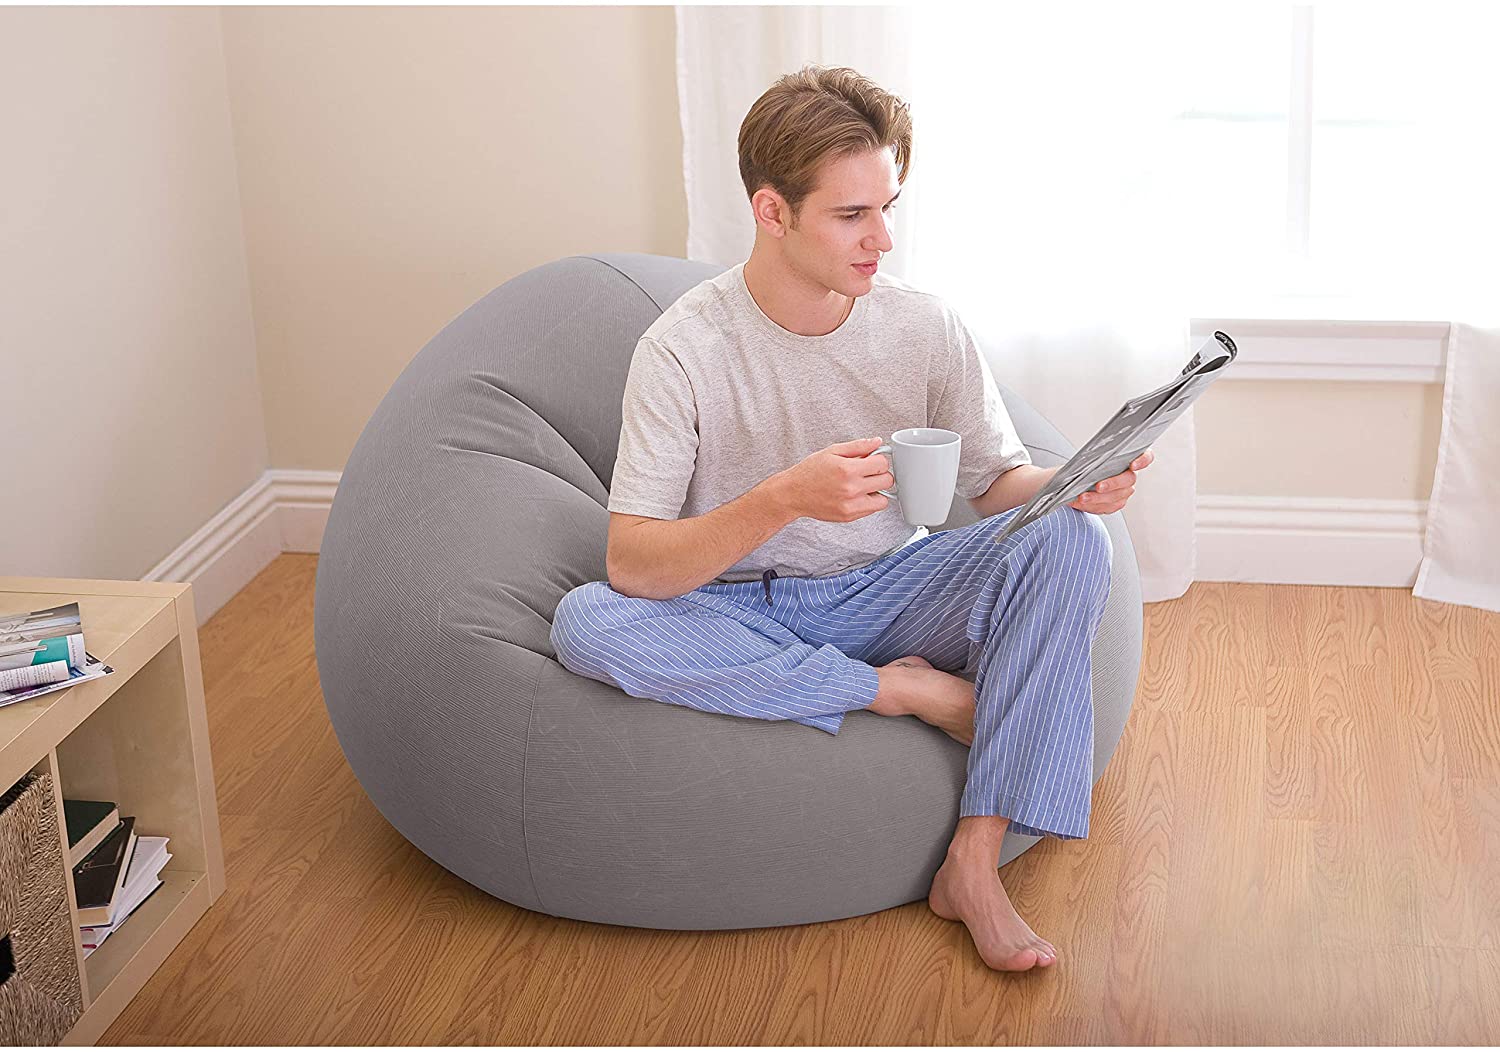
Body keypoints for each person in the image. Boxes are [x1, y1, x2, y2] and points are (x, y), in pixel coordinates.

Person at [550, 65, 1154, 973]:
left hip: (889, 585)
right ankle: (899, 691)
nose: (883, 239)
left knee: (1072, 537)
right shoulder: (683, 349)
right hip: (735, 605)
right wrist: (783, 499)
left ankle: (975, 859)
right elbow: (632, 565)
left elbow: (995, 482)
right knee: (586, 622)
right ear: (772, 211)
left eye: (888, 207)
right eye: (851, 215)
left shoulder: (923, 325)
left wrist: (1072, 484)